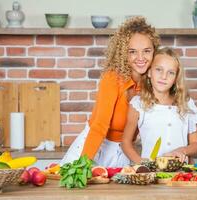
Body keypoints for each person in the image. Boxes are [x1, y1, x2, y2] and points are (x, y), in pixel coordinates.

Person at [60, 17, 160, 167]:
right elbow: (99, 126)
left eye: (146, 51)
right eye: (132, 51)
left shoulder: (153, 83)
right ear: (123, 53)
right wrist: (82, 165)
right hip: (92, 146)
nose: (140, 58)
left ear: (154, 52)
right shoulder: (112, 78)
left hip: (122, 152)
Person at [121, 47, 197, 164]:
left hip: (181, 173)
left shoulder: (186, 103)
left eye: (171, 72)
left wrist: (182, 150)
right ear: (149, 72)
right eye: (159, 70)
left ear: (176, 78)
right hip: (152, 173)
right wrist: (142, 164)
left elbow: (196, 145)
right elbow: (125, 142)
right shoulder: (138, 104)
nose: (164, 76)